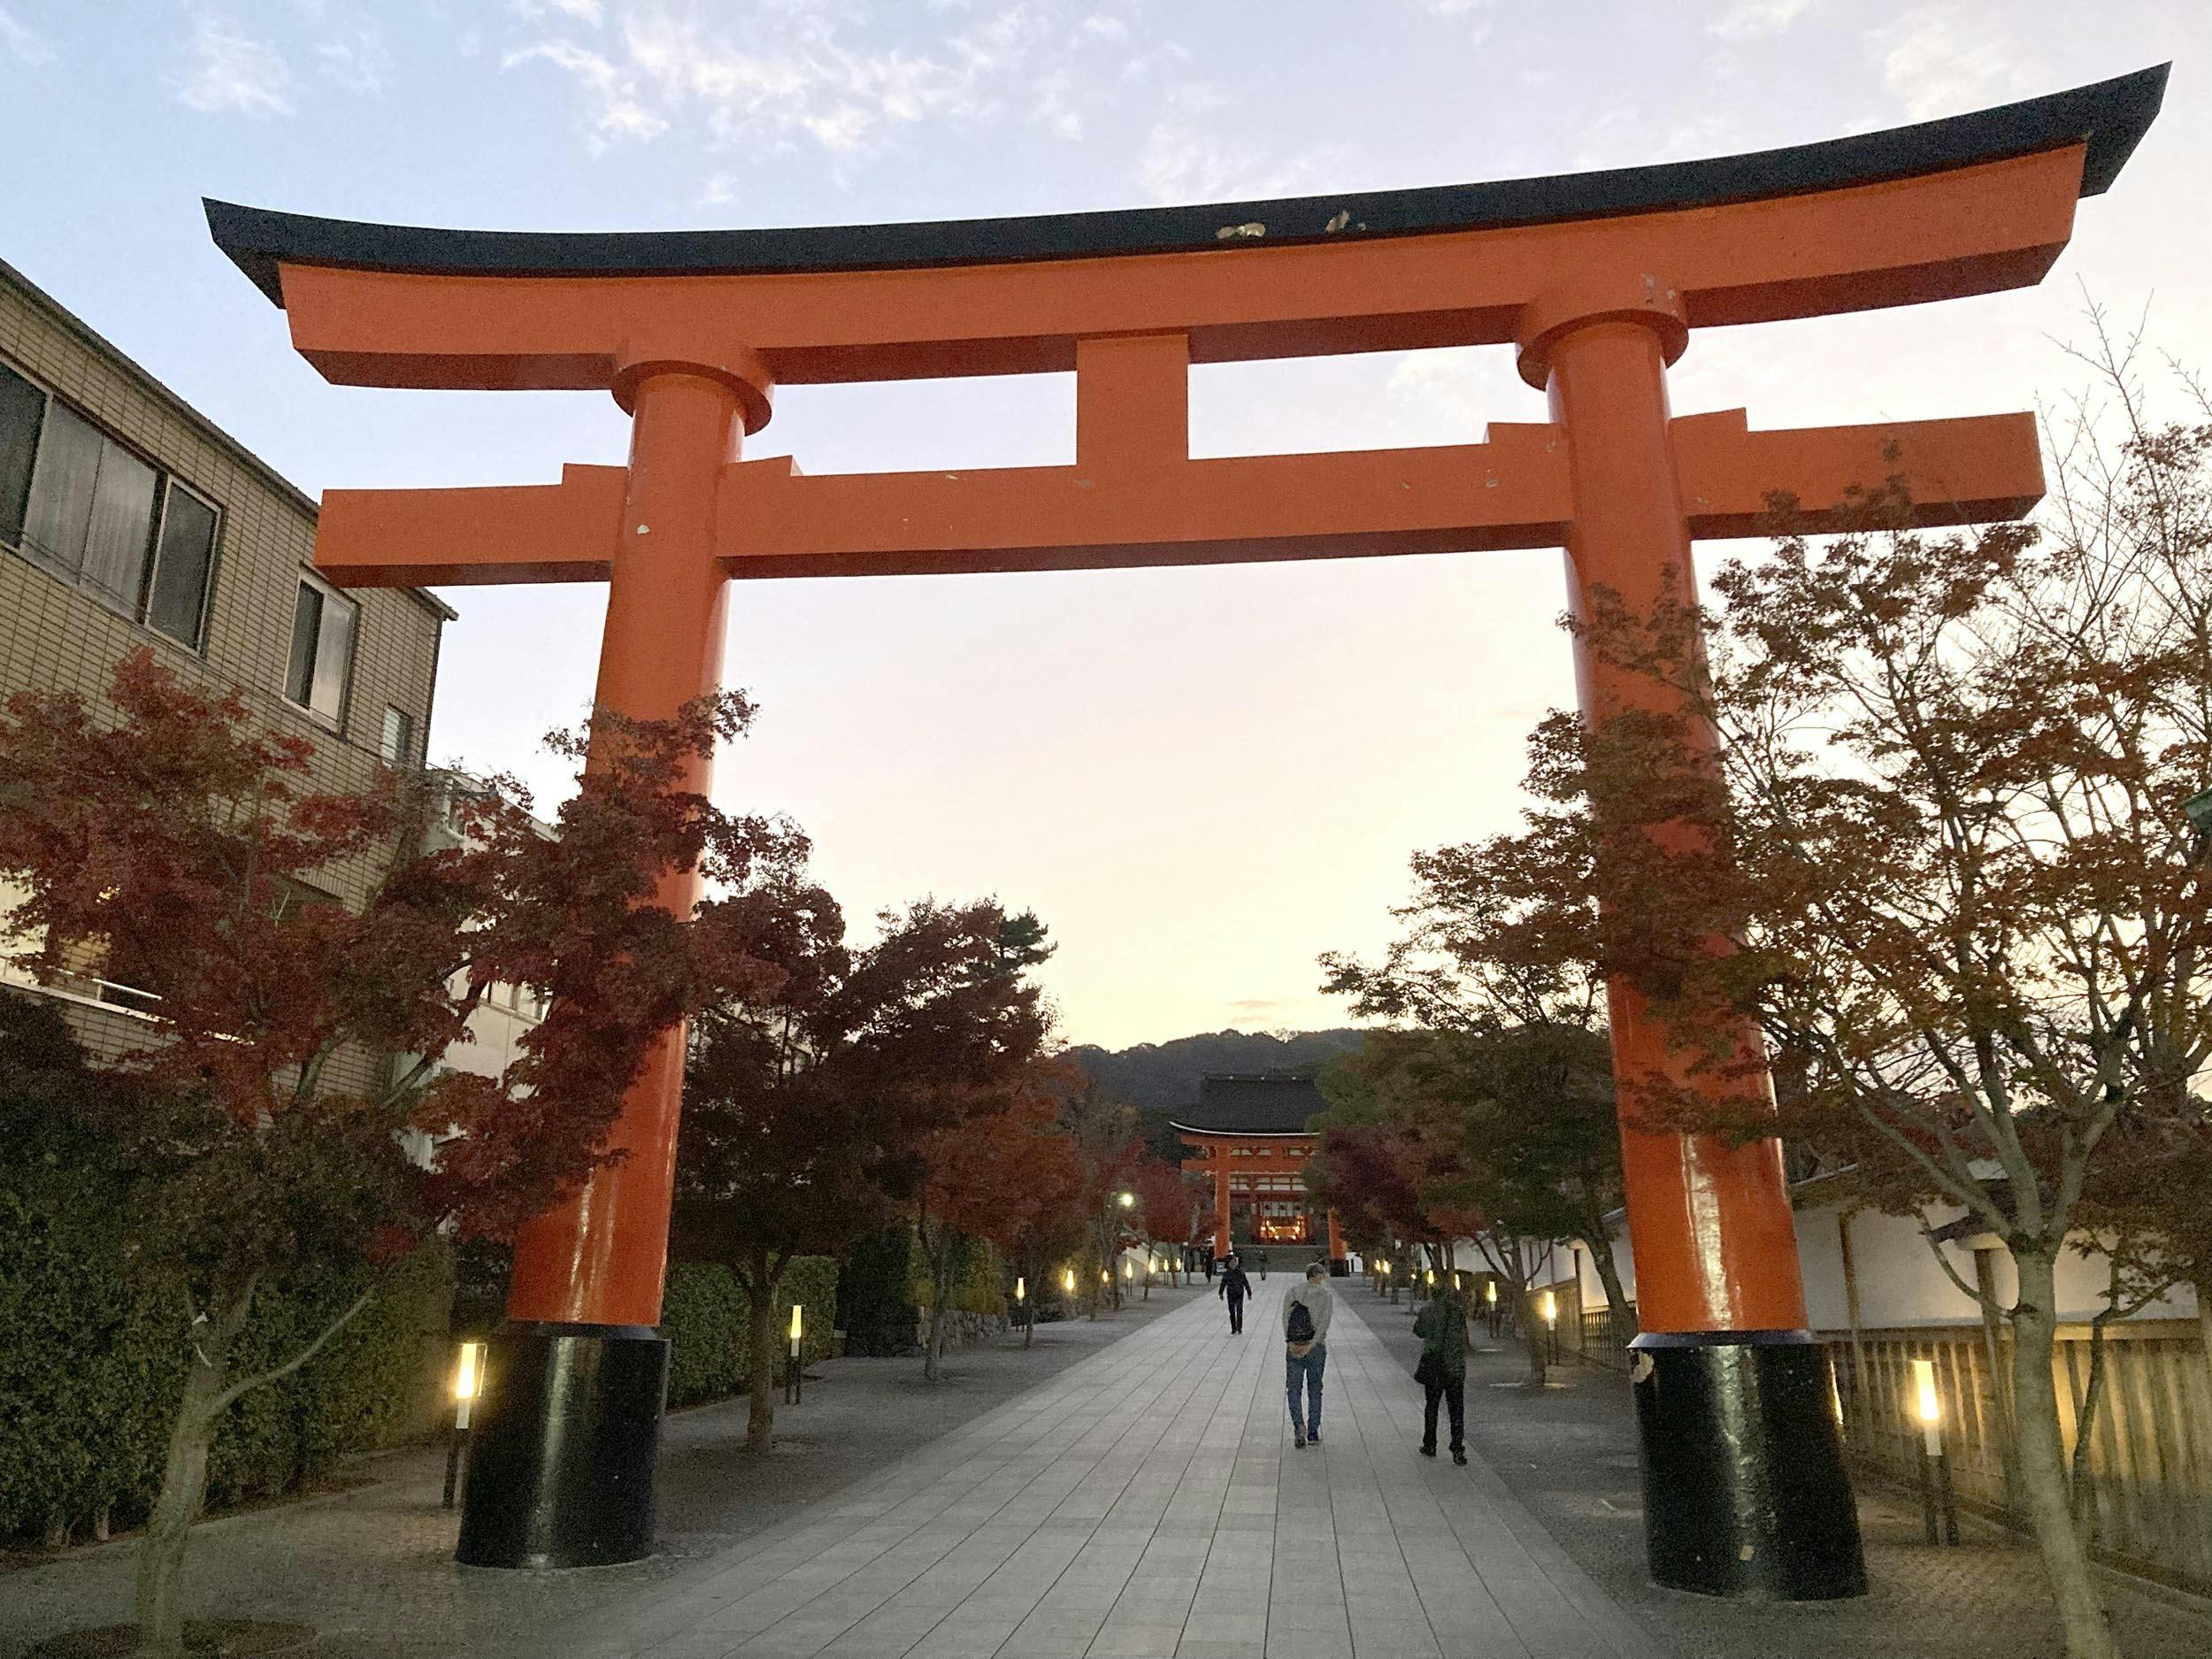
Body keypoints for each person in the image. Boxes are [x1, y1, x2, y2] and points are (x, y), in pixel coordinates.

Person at [1413, 1282, 1469, 1465]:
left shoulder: (1427, 1310)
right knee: (1456, 1408)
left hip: (1434, 1363)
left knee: (1432, 1405)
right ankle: (1457, 1448)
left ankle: (1430, 1443)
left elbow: (1418, 1331)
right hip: (1454, 1365)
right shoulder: (1457, 1312)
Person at [1283, 1261, 1333, 1448]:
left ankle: (1299, 1426)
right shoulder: (1325, 1296)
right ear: (1318, 1275)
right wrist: (1311, 1345)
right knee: (1315, 1390)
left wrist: (1290, 1342)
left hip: (1294, 1346)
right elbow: (1324, 1324)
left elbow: (1285, 1318)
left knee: (1294, 1389)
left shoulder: (1293, 1292)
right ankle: (1313, 1432)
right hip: (1316, 1348)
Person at [1217, 1252, 1253, 1333]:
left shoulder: (1240, 1272)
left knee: (1240, 1311)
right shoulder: (1227, 1274)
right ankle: (1233, 1328)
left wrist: (1249, 1292)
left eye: (1234, 1263)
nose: (1233, 1264)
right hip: (1231, 1294)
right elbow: (1223, 1284)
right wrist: (1221, 1293)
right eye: (1231, 1263)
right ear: (1229, 1264)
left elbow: (1245, 1282)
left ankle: (1239, 1328)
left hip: (1239, 1293)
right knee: (1232, 1312)